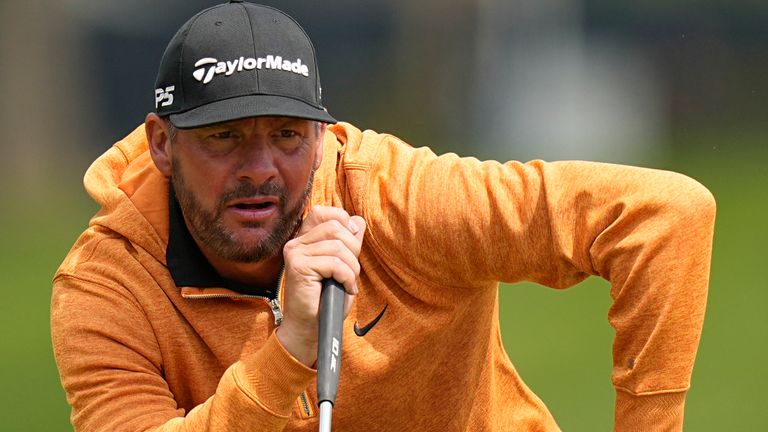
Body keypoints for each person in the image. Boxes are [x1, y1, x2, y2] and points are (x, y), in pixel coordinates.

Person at [50, 1, 716, 431]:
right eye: (225, 138)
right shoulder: (108, 287)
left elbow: (665, 217)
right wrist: (290, 355)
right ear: (163, 144)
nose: (259, 168)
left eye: (286, 135)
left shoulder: (403, 199)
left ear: (323, 133)